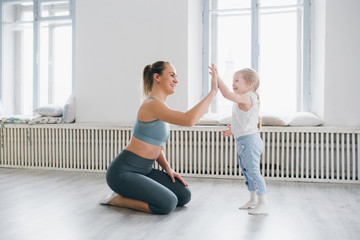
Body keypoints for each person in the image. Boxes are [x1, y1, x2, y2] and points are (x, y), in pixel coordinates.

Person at [99, 61, 218, 214]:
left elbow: (155, 145)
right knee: (167, 203)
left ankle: (134, 192)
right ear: (157, 77)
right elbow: (189, 120)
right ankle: (117, 199)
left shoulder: (161, 106)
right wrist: (213, 92)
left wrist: (168, 168)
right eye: (172, 75)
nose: (176, 80)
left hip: (145, 170)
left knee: (183, 196)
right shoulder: (151, 105)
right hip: (123, 172)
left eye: (176, 76)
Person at [216, 65, 268, 215]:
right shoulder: (244, 99)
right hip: (243, 140)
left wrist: (217, 78)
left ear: (250, 84)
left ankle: (263, 201)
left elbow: (226, 94)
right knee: (247, 172)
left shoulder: (248, 97)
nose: (233, 84)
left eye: (237, 81)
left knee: (254, 172)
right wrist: (233, 130)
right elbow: (245, 121)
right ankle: (253, 198)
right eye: (232, 81)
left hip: (250, 142)